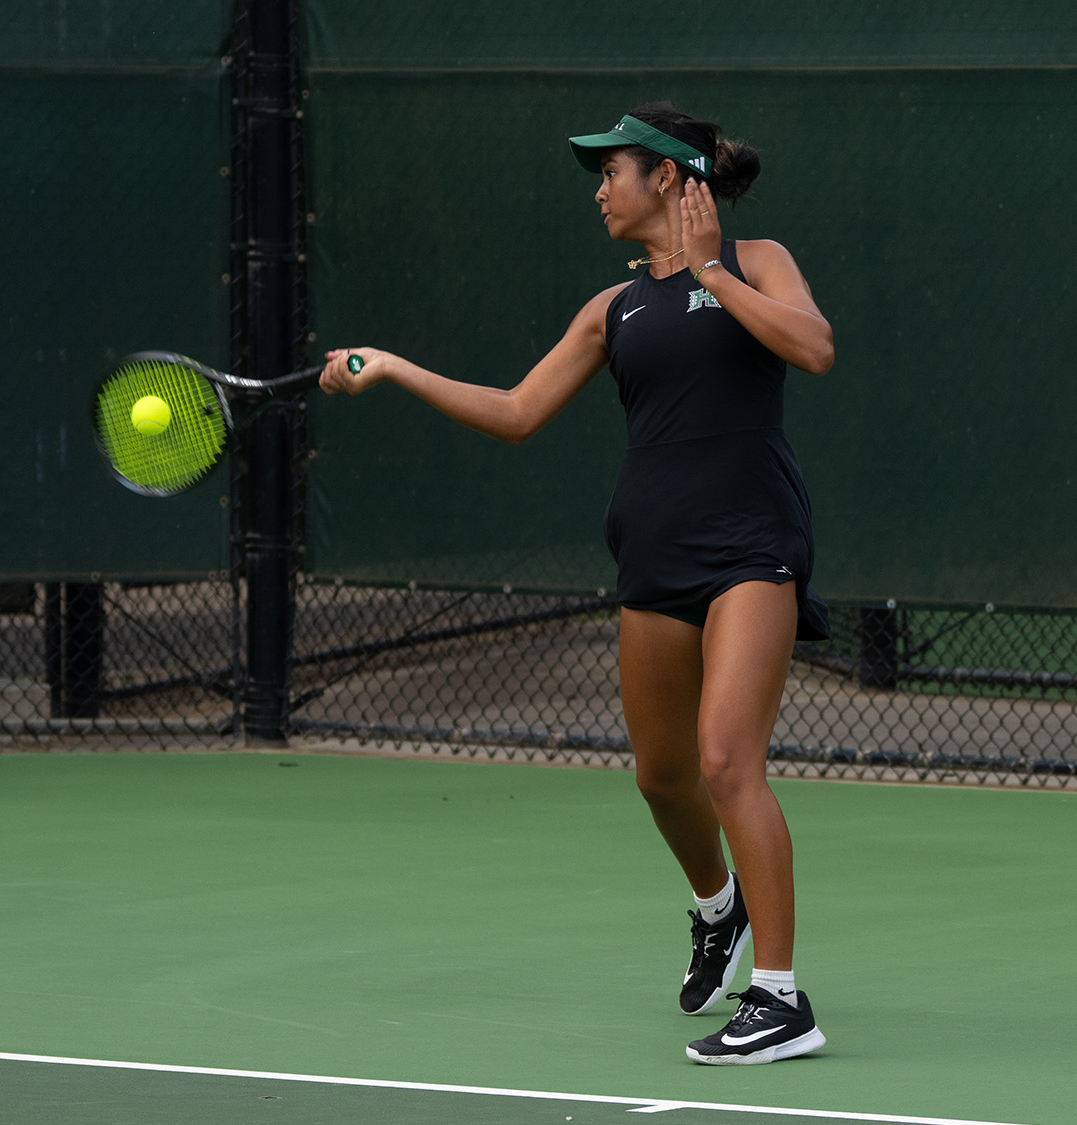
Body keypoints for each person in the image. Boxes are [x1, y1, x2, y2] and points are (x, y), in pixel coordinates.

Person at [319, 101, 834, 1065]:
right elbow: (517, 411)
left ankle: (780, 996)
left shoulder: (758, 261)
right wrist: (392, 368)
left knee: (728, 760)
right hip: (652, 552)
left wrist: (715, 269)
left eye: (616, 171)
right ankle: (716, 907)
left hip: (753, 545)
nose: (601, 189)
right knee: (662, 775)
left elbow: (813, 348)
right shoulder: (613, 308)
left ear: (674, 181)